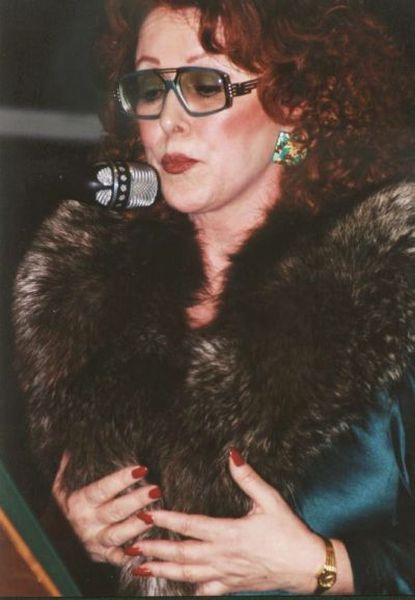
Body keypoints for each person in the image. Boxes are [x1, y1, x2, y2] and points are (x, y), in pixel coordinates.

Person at [13, 0, 415, 595]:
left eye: (204, 85)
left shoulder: (392, 283)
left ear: (294, 102)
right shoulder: (82, 307)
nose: (169, 121)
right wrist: (69, 533)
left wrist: (327, 565)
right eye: (150, 87)